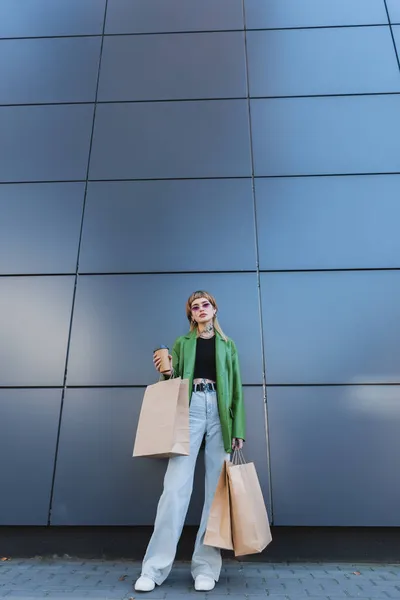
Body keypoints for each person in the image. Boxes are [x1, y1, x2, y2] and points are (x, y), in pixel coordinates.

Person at [134, 290, 246, 593]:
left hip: (221, 416)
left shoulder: (228, 345)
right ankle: (154, 568)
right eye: (194, 307)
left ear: (214, 309)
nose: (200, 309)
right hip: (191, 408)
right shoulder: (182, 344)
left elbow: (236, 388)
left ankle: (206, 567)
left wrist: (238, 428)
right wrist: (167, 371)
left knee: (215, 495)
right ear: (191, 315)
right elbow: (172, 384)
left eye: (204, 304)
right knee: (174, 490)